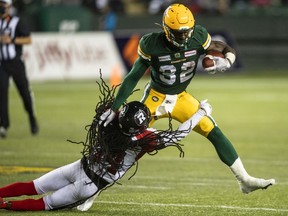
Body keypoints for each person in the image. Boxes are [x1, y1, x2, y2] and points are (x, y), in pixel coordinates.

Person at [100, 3, 275, 194]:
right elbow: (133, 76)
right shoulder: (151, 43)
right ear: (166, 30)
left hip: (181, 97)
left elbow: (223, 47)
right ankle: (96, 185)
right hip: (155, 97)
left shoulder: (198, 36)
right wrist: (115, 107)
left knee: (213, 131)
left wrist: (226, 62)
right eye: (178, 33)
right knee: (126, 141)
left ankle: (245, 180)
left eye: (187, 32)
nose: (184, 36)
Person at [0, 75, 212, 211]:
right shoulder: (143, 138)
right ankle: (6, 205)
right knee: (44, 204)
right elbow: (176, 136)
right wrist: (199, 113)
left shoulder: (110, 120)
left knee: (34, 186)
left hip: (79, 166)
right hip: (91, 184)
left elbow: (111, 105)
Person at [0, 0, 39, 138]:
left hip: (16, 63)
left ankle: (32, 117)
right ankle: (4, 125)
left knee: (25, 94)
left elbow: (28, 39)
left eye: (3, 5)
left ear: (9, 7)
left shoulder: (16, 22)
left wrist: (11, 40)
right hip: (2, 64)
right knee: (2, 94)